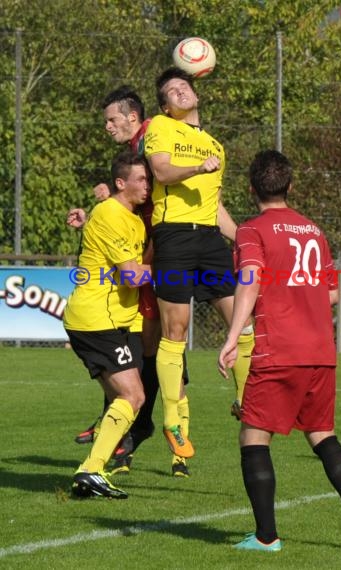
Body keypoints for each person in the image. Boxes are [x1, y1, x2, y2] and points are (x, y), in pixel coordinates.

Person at [218, 149, 341, 551]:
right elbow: (333, 292)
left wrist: (233, 336)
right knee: (323, 434)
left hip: (279, 350)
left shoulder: (253, 230)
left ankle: (267, 537)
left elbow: (250, 281)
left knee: (254, 437)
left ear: (252, 187)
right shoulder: (314, 231)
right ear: (290, 185)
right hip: (320, 351)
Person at [72, 85, 191, 477]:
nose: (107, 126)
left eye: (112, 119)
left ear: (134, 117)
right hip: (108, 308)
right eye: (139, 180)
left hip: (132, 289)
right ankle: (123, 435)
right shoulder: (126, 184)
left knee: (161, 357)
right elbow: (124, 252)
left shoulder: (156, 137)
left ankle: (156, 440)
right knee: (144, 365)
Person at [144, 67, 254, 458]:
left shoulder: (216, 146)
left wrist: (247, 240)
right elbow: (161, 170)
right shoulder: (160, 127)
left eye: (184, 86)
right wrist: (195, 167)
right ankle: (173, 420)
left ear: (196, 93)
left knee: (243, 322)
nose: (181, 92)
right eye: (172, 91)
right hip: (173, 234)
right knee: (175, 331)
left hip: (209, 238)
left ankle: (244, 400)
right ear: (165, 106)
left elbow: (216, 206)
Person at [64, 150, 151, 499]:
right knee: (134, 395)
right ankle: (91, 468)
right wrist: (177, 269)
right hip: (96, 318)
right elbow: (131, 275)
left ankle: (91, 471)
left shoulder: (132, 217)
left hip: (117, 319)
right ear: (120, 183)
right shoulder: (111, 213)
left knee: (128, 397)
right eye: (141, 179)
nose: (147, 185)